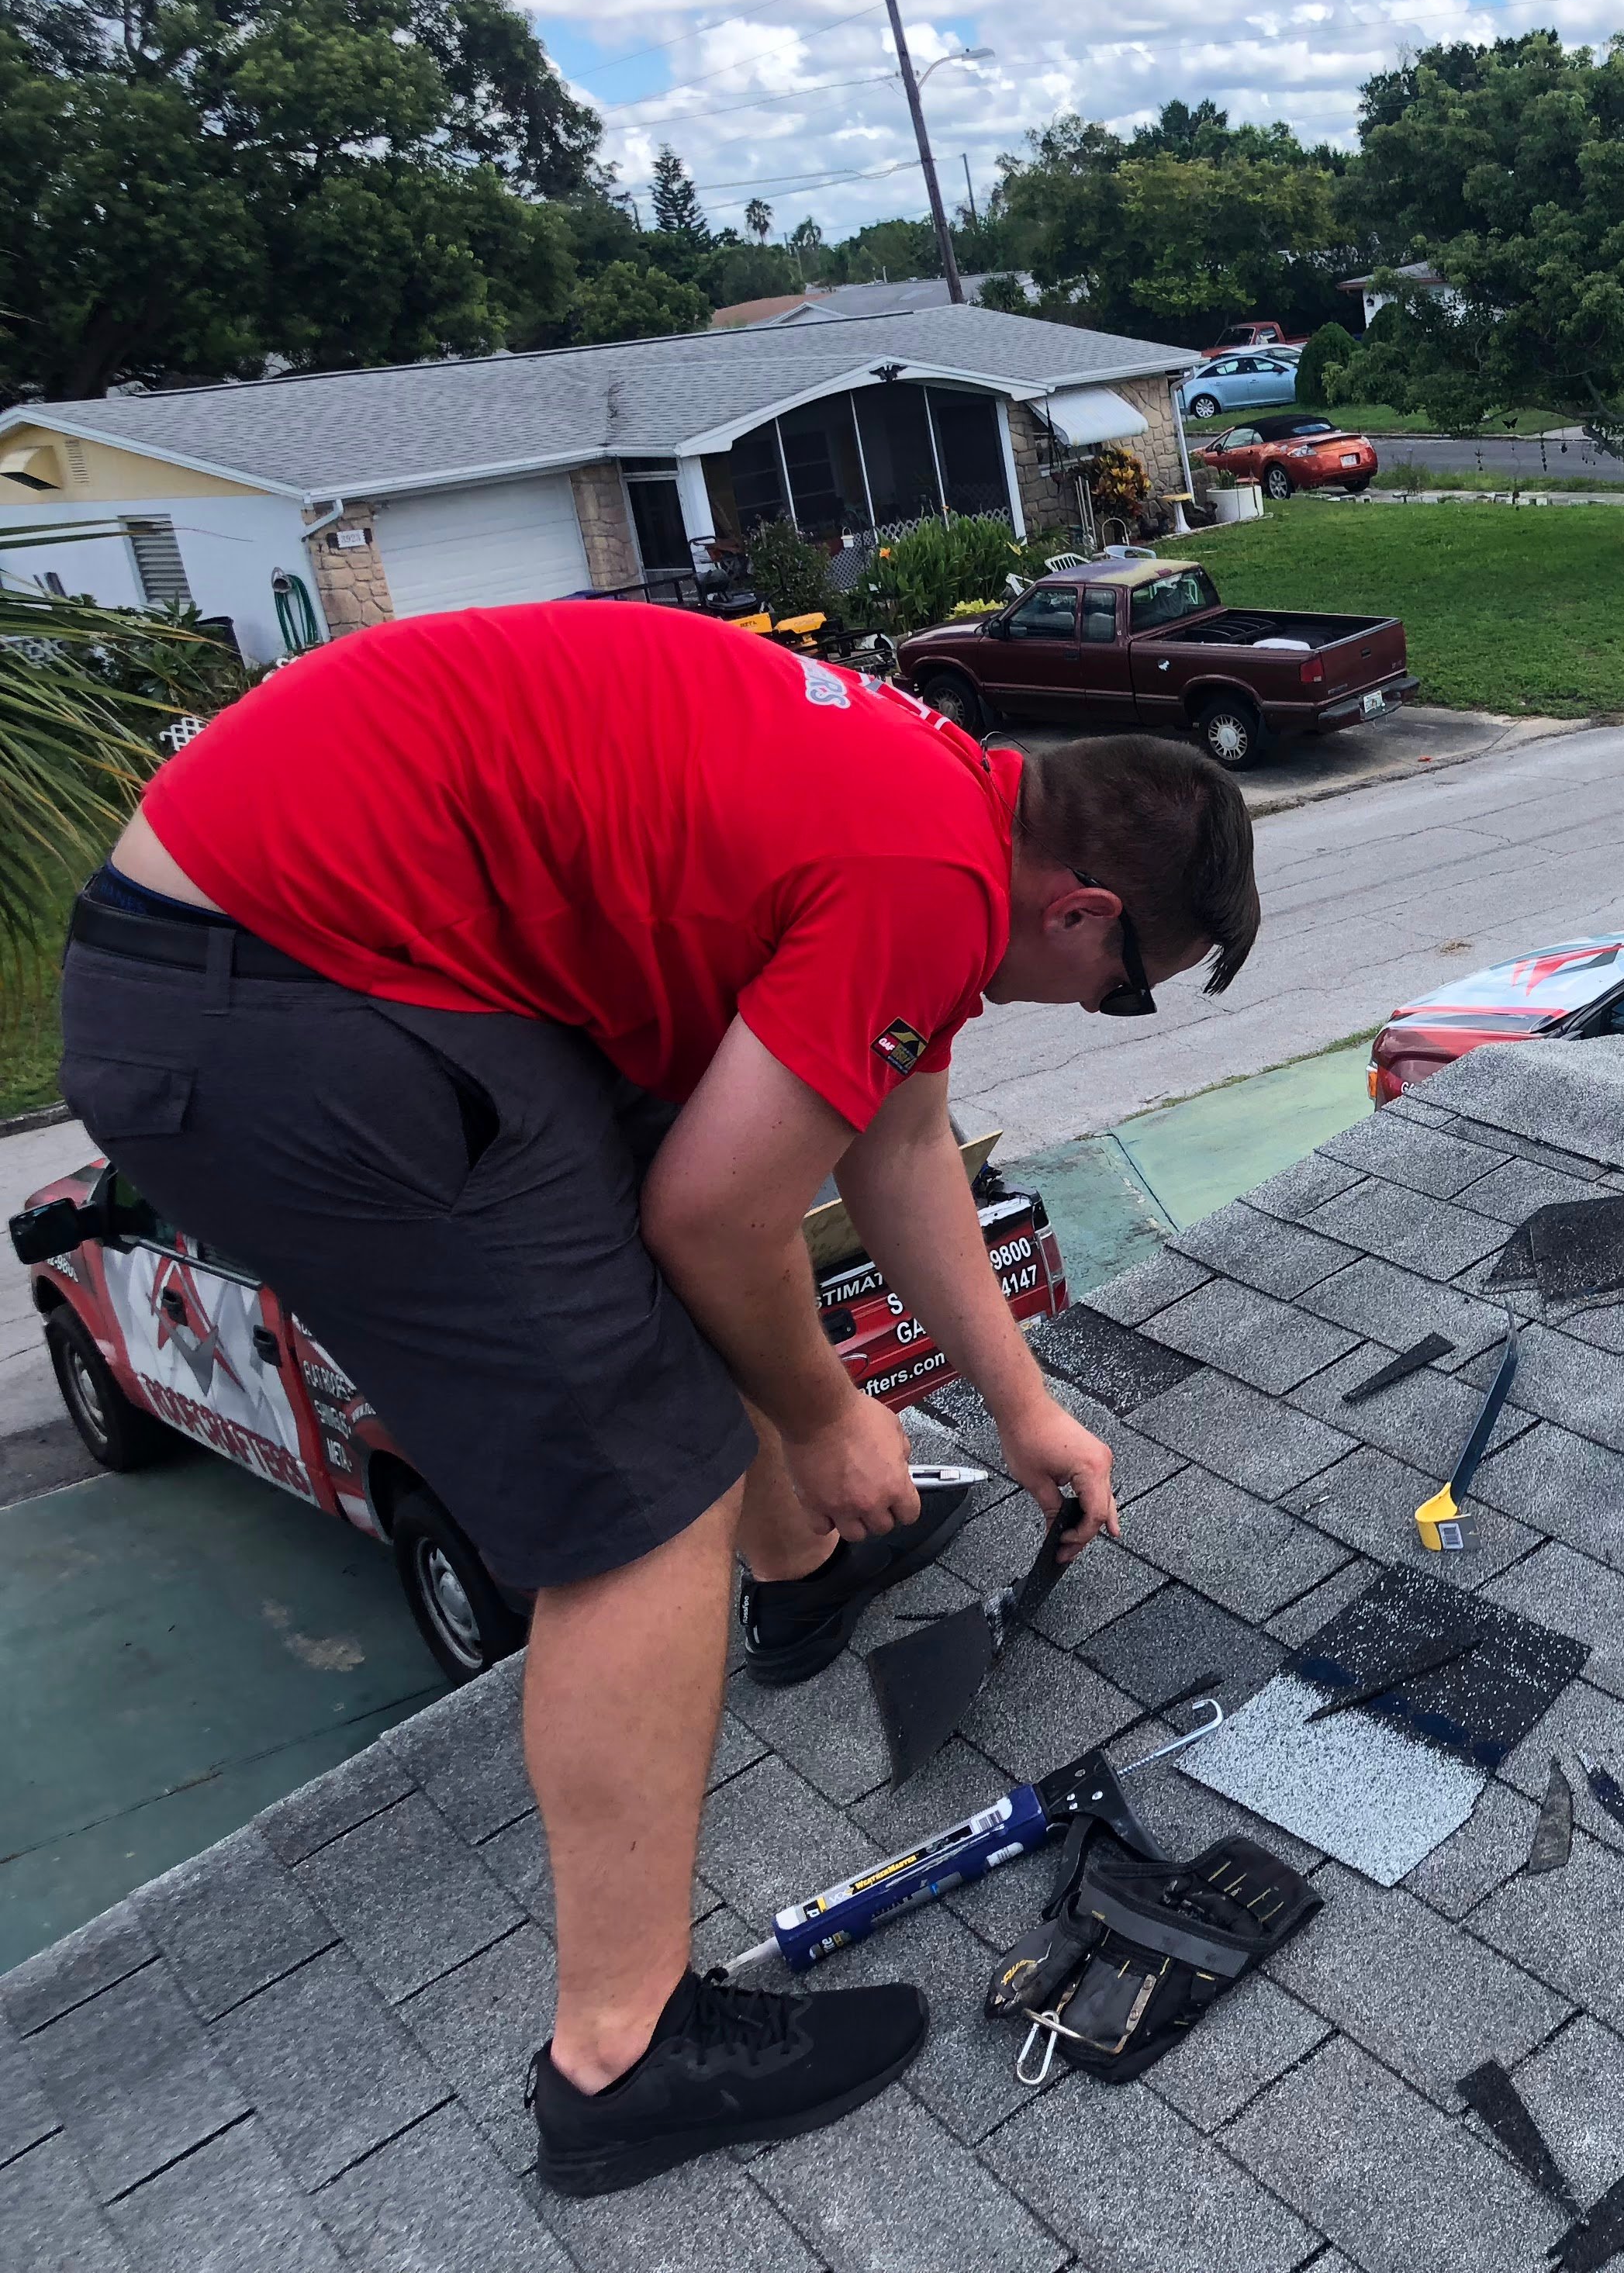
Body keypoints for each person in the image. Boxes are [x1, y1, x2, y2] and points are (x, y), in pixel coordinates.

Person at [57, 599, 1260, 2196]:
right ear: (1083, 910)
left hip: (299, 950)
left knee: (655, 1184)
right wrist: (834, 1418)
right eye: (1128, 992)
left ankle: (800, 1573)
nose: (1102, 1012)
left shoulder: (931, 794)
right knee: (643, 1502)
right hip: (290, 995)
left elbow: (889, 1146)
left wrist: (1026, 1413)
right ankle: (620, 2059)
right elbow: (719, 1218)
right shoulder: (930, 881)